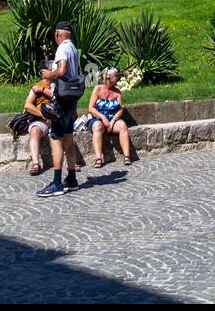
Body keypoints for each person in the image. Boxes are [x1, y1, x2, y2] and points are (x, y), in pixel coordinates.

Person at [36, 20, 86, 198]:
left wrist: (50, 74)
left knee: (56, 138)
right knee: (68, 138)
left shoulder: (63, 48)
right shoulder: (72, 47)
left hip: (62, 100)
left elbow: (62, 70)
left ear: (57, 34)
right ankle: (71, 179)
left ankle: (57, 183)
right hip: (71, 99)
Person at [86, 67, 133, 167]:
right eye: (114, 76)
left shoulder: (117, 92)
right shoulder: (98, 89)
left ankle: (127, 156)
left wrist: (112, 121)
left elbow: (120, 109)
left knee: (123, 126)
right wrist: (103, 117)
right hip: (97, 118)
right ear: (106, 78)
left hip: (112, 119)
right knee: (97, 126)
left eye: (114, 77)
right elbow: (90, 108)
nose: (116, 78)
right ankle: (99, 158)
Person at [19, 69, 56, 175]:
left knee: (65, 132)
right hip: (42, 119)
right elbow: (28, 105)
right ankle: (36, 163)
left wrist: (43, 90)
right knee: (35, 131)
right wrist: (43, 115)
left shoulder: (58, 85)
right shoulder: (36, 86)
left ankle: (72, 163)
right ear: (43, 72)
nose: (53, 70)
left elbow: (58, 97)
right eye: (50, 69)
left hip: (57, 119)